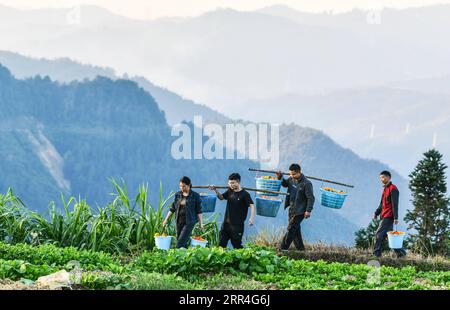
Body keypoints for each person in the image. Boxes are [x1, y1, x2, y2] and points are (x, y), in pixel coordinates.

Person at [209, 173, 255, 249]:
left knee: (237, 246)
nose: (231, 185)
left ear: (238, 182)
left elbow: (252, 206)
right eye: (229, 183)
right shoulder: (230, 191)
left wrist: (251, 218)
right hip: (226, 224)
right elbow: (221, 197)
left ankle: (241, 259)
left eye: (233, 183)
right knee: (221, 245)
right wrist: (215, 190)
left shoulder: (245, 194)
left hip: (237, 226)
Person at [276, 164, 315, 251]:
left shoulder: (307, 183)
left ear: (299, 172)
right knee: (295, 230)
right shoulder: (291, 179)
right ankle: (301, 250)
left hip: (300, 211)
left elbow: (311, 198)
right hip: (292, 209)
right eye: (290, 174)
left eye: (293, 174)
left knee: (291, 229)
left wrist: (308, 210)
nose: (291, 176)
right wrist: (280, 177)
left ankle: (282, 249)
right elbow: (285, 184)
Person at [373, 171, 407, 258]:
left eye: (383, 177)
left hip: (388, 216)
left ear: (389, 178)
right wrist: (376, 213)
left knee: (378, 234)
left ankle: (376, 254)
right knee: (391, 237)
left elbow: (395, 204)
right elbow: (381, 204)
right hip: (384, 216)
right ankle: (402, 253)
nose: (381, 179)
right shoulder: (385, 189)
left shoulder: (393, 189)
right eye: (380, 178)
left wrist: (396, 217)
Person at [163, 176, 203, 248]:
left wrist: (201, 224)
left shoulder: (195, 196)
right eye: (180, 186)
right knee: (181, 241)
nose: (182, 188)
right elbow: (173, 208)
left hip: (189, 222)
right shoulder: (178, 194)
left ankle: (178, 256)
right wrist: (166, 219)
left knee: (180, 243)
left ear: (189, 185)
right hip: (179, 221)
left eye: (184, 186)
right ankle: (185, 257)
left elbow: (199, 211)